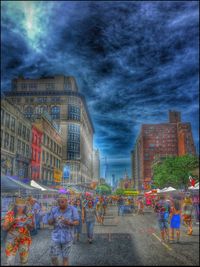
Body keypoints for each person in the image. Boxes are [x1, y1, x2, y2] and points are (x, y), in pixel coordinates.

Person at [48, 194, 79, 266]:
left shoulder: (73, 209)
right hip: (55, 237)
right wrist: (53, 220)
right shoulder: (54, 209)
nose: (60, 203)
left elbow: (77, 222)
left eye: (62, 202)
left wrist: (69, 222)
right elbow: (49, 222)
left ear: (66, 201)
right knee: (53, 257)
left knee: (65, 258)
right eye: (59, 202)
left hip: (68, 237)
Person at [3, 197, 34, 266]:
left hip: (24, 239)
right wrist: (12, 222)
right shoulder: (9, 214)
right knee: (9, 260)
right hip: (11, 239)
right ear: (15, 206)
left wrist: (28, 224)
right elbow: (5, 228)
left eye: (23, 207)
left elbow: (32, 228)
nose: (20, 209)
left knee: (24, 260)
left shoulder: (28, 215)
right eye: (18, 207)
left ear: (25, 207)